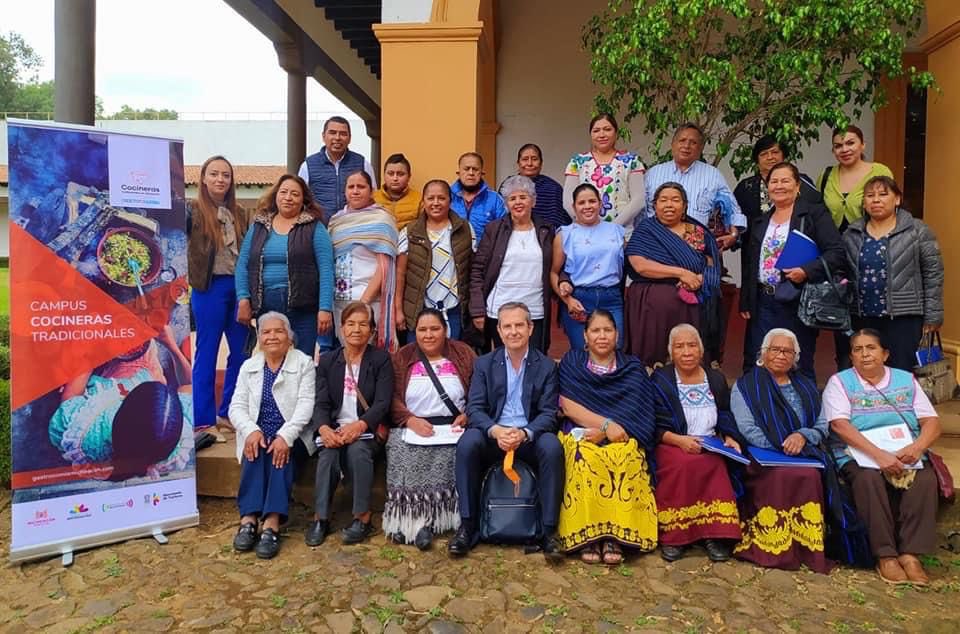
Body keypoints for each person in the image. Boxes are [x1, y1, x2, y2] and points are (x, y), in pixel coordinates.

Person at [731, 328, 870, 573]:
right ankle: (773, 546)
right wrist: (783, 446)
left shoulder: (805, 385)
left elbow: (821, 425)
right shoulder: (746, 385)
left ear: (795, 357)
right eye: (775, 349)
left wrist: (802, 437)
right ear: (763, 353)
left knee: (809, 475)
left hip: (804, 453)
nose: (781, 355)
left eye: (787, 351)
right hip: (765, 456)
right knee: (785, 475)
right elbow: (747, 429)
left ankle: (806, 548)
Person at [823, 329, 942, 585]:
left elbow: (931, 421)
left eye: (871, 348)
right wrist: (879, 456)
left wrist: (918, 447)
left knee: (925, 479)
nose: (865, 354)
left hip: (904, 450)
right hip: (858, 453)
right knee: (868, 480)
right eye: (857, 349)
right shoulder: (840, 382)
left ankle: (911, 554)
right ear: (851, 357)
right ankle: (885, 554)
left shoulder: (905, 380)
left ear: (885, 354)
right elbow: (840, 426)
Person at [448, 302, 564, 560]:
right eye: (507, 326)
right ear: (499, 331)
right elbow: (475, 408)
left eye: (519, 325)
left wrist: (525, 433)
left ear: (530, 328)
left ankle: (548, 531)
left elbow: (548, 413)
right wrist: (496, 430)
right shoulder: (484, 364)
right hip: (494, 435)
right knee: (468, 443)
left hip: (528, 437)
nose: (513, 332)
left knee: (552, 446)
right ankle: (468, 526)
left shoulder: (545, 366)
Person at [556, 309, 658, 564]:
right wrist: (604, 426)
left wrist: (611, 433)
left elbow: (640, 412)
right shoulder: (572, 362)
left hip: (622, 434)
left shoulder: (632, 367)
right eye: (595, 331)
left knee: (625, 457)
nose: (602, 336)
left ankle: (615, 536)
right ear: (585, 336)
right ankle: (588, 535)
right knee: (584, 460)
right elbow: (567, 405)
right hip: (583, 430)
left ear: (617, 334)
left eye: (608, 330)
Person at [739, 162, 844, 381]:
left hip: (797, 300)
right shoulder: (761, 221)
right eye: (774, 181)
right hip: (763, 301)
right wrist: (746, 300)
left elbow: (836, 252)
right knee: (759, 358)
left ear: (797, 186)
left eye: (785, 180)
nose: (779, 186)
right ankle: (762, 410)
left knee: (797, 360)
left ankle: (803, 411)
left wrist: (806, 271)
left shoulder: (813, 214)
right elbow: (750, 264)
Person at [49, 328, 194, 482]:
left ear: (122, 402)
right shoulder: (179, 436)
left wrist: (90, 354)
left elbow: (70, 397)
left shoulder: (85, 430)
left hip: (103, 388)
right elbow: (190, 384)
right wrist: (171, 345)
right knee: (149, 349)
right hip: (137, 379)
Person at [385, 308, 477, 549]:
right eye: (422, 330)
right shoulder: (403, 357)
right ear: (415, 333)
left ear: (445, 331)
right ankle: (414, 522)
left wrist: (468, 415)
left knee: (456, 452)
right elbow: (390, 396)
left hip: (453, 426)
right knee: (401, 449)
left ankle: (442, 519)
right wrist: (409, 419)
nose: (428, 335)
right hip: (413, 425)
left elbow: (479, 390)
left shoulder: (463, 353)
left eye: (434, 329)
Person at [650, 324, 743, 562]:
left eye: (692, 345)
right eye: (679, 346)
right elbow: (653, 424)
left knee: (716, 466)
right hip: (672, 444)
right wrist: (679, 440)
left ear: (701, 350)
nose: (687, 352)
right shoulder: (661, 380)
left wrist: (730, 437)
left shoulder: (715, 379)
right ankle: (676, 535)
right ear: (671, 352)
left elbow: (724, 413)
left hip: (709, 444)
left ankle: (713, 534)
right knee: (684, 465)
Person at [229, 312, 316, 559]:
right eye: (266, 332)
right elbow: (236, 407)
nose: (272, 336)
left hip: (293, 435)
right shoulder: (249, 366)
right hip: (257, 433)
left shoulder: (303, 363)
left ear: (289, 337)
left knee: (280, 452)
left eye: (278, 331)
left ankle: (272, 522)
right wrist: (251, 430)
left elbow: (305, 408)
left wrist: (285, 436)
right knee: (255, 448)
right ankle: (248, 519)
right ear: (259, 338)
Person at [306, 302, 393, 546]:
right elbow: (321, 402)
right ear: (342, 328)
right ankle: (320, 518)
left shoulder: (381, 360)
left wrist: (360, 425)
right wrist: (323, 428)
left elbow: (383, 403)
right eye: (351, 324)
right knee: (328, 456)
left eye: (363, 324)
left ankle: (362, 517)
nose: (357, 329)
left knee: (358, 452)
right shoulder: (327, 361)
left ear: (372, 330)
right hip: (335, 428)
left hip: (366, 431)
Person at [841, 176, 943, 371]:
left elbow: (933, 274)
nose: (876, 200)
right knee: (864, 370)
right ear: (864, 202)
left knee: (901, 371)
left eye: (883, 194)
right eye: (870, 196)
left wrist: (933, 316)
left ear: (897, 199)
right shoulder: (851, 234)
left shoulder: (918, 231)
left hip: (903, 318)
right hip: (862, 316)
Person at [235, 174, 334, 358]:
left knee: (302, 361)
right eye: (284, 192)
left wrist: (325, 308)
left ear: (303, 199)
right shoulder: (259, 226)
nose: (288, 198)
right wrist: (243, 299)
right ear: (276, 196)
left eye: (295, 194)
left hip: (304, 307)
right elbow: (243, 265)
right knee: (272, 358)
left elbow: (326, 270)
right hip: (266, 304)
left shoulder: (314, 227)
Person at [624, 182, 721, 368]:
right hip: (650, 307)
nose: (669, 205)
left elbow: (711, 261)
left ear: (684, 205)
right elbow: (640, 265)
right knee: (653, 359)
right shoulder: (646, 230)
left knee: (686, 355)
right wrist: (681, 273)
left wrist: (702, 278)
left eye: (676, 200)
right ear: (655, 205)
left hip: (692, 305)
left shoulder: (697, 231)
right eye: (663, 200)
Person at [187, 155, 251, 431]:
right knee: (207, 352)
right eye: (214, 174)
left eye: (225, 175)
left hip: (237, 289)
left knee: (242, 353)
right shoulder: (192, 211)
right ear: (203, 178)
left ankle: (227, 412)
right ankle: (203, 419)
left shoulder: (239, 213)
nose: (220, 179)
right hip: (208, 288)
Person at [470, 176, 554, 352]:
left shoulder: (546, 230)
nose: (518, 202)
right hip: (500, 309)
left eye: (523, 197)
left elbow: (555, 266)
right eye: (512, 198)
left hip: (534, 309)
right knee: (504, 362)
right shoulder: (494, 229)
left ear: (533, 201)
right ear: (506, 204)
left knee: (534, 361)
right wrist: (478, 309)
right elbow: (477, 270)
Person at [395, 180, 476, 342]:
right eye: (431, 198)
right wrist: (398, 310)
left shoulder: (464, 229)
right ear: (423, 201)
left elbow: (473, 271)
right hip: (419, 310)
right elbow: (400, 274)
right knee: (420, 363)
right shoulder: (409, 232)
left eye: (441, 198)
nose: (436, 203)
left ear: (450, 201)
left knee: (452, 361)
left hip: (454, 310)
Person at [327, 170, 399, 350]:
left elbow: (386, 267)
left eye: (361, 186)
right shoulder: (336, 221)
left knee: (368, 357)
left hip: (369, 299)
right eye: (351, 187)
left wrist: (364, 302)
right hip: (340, 300)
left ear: (371, 191)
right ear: (345, 191)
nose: (355, 191)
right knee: (347, 356)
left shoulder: (382, 220)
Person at [643, 123, 745, 249]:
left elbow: (732, 208)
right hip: (657, 243)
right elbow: (641, 212)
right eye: (682, 140)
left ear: (700, 148)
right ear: (673, 144)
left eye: (693, 142)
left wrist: (733, 235)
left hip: (696, 245)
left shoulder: (712, 175)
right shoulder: (653, 174)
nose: (686, 146)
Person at [551, 183, 625, 350]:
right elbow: (554, 273)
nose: (587, 207)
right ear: (574, 207)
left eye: (592, 201)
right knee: (582, 352)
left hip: (611, 297)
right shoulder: (565, 234)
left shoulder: (617, 231)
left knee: (614, 349)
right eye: (581, 203)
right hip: (580, 299)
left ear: (600, 203)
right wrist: (568, 300)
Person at [563, 113, 645, 233]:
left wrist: (612, 227)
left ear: (616, 133)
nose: (602, 134)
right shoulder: (578, 162)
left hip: (621, 232)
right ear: (590, 135)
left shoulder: (631, 161)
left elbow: (639, 199)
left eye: (607, 129)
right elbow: (568, 200)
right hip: (585, 232)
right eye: (596, 130)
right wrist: (586, 223)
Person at [299, 115, 377, 223]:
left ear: (349, 138)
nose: (337, 138)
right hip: (319, 229)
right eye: (332, 132)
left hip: (353, 228)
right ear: (323, 136)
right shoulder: (308, 166)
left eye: (343, 134)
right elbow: (300, 200)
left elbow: (373, 197)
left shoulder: (363, 163)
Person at [818, 125, 894, 232]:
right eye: (838, 146)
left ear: (862, 145)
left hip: (869, 241)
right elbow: (817, 213)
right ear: (833, 150)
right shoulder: (826, 175)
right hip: (832, 244)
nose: (844, 149)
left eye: (850, 143)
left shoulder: (879, 172)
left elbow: (890, 209)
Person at [501, 143, 568, 229]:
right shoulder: (508, 186)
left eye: (534, 159)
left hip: (547, 237)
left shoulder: (553, 188)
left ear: (541, 163)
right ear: (518, 163)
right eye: (525, 159)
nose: (529, 163)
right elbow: (502, 217)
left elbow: (559, 223)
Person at [450, 152, 507, 241]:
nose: (471, 173)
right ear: (459, 172)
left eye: (475, 169)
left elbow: (504, 231)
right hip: (452, 253)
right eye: (466, 169)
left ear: (482, 172)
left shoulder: (495, 200)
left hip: (485, 253)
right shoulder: (447, 197)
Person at [373, 153, 422, 232]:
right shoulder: (372, 199)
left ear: (409, 176)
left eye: (400, 174)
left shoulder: (419, 200)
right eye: (391, 174)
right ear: (384, 175)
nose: (395, 178)